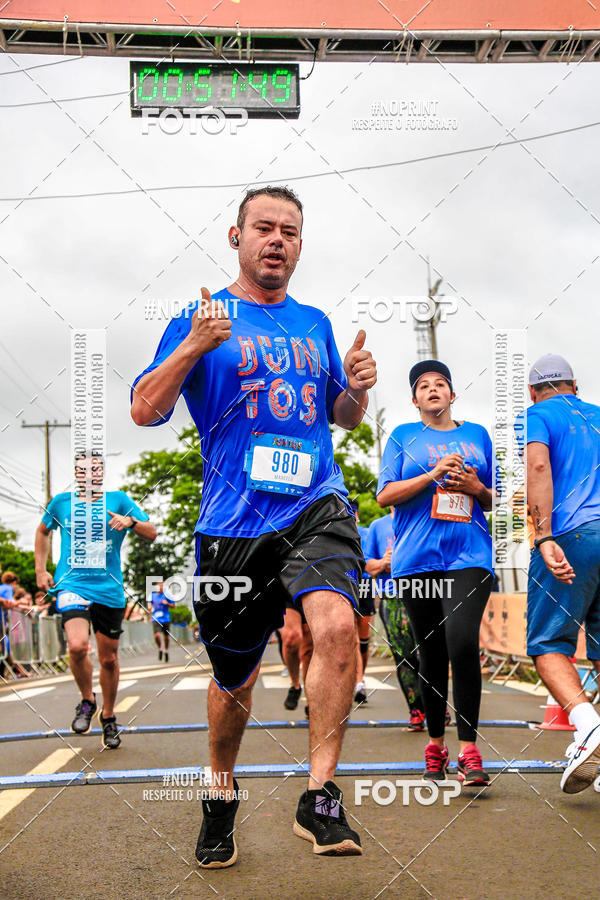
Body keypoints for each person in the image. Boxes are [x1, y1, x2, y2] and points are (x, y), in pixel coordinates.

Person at [131, 185, 377, 866]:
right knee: (233, 681)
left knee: (334, 625)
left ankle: (320, 798)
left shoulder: (314, 323)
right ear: (235, 237)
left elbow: (344, 416)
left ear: (301, 244)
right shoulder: (201, 317)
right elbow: (143, 410)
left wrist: (357, 385)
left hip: (315, 506)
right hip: (234, 526)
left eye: (290, 231)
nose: (277, 239)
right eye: (264, 228)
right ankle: (219, 790)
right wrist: (193, 347)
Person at [377, 360, 494, 786]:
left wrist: (475, 488)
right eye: (423, 386)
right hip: (416, 560)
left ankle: (469, 751)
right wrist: (434, 474)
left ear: (452, 394)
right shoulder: (403, 437)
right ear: (414, 399)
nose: (432, 390)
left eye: (440, 384)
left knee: (462, 643)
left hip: (469, 556)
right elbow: (384, 496)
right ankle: (435, 745)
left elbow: (492, 498)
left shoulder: (477, 435)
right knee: (431, 654)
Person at [35, 452, 157, 749]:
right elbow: (42, 531)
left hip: (109, 587)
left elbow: (151, 532)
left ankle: (109, 716)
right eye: (82, 470)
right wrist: (40, 569)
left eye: (94, 469)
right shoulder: (61, 503)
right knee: (77, 647)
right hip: (71, 584)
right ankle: (87, 701)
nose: (88, 475)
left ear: (102, 473)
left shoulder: (118, 499)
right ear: (76, 473)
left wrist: (129, 521)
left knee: (109, 658)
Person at [523, 354, 600, 793]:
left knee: (548, 642)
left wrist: (543, 535)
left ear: (534, 392)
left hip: (572, 534)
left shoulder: (537, 415)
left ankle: (587, 726)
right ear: (575, 384)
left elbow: (537, 467)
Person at [363, 510, 426, 730]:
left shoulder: (422, 517)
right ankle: (416, 709)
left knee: (428, 652)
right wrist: (383, 563)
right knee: (404, 655)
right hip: (392, 596)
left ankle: (435, 702)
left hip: (423, 592)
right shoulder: (377, 526)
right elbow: (367, 566)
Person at [352, 499, 374, 705]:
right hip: (346, 585)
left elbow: (371, 560)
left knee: (363, 638)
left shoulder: (367, 532)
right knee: (353, 639)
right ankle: (358, 682)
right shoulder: (338, 531)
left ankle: (361, 676)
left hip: (365, 586)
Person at [150, 580, 176, 662]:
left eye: (162, 585)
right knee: (156, 635)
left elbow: (173, 606)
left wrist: (167, 603)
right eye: (159, 585)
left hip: (165, 618)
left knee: (166, 637)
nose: (161, 587)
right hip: (156, 618)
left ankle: (166, 651)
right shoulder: (153, 595)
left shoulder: (167, 595)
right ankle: (160, 648)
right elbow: (150, 604)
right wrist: (150, 608)